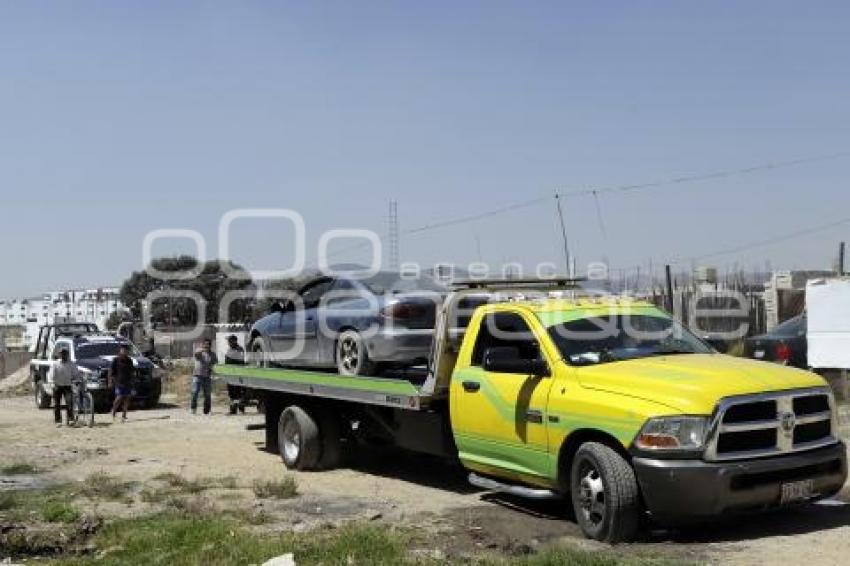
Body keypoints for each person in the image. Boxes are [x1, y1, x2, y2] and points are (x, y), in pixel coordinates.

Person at [50, 348, 80, 427]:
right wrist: (53, 384)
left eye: (65, 353)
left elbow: (76, 374)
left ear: (67, 354)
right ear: (60, 355)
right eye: (62, 353)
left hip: (67, 386)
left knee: (69, 402)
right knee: (57, 404)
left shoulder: (71, 364)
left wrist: (77, 380)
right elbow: (51, 375)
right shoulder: (55, 364)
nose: (63, 355)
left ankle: (70, 420)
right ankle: (58, 421)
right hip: (57, 386)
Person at [191, 338, 218, 415]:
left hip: (207, 377)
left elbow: (215, 364)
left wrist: (213, 370)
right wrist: (203, 349)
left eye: (208, 344)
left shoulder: (213, 354)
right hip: (197, 375)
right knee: (195, 392)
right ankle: (193, 408)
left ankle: (207, 410)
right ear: (202, 344)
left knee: (207, 394)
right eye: (205, 344)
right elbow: (196, 354)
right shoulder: (199, 352)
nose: (207, 346)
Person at [109, 344, 134, 422]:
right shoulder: (115, 360)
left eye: (126, 350)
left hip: (128, 381)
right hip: (119, 381)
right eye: (123, 350)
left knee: (127, 398)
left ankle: (124, 415)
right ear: (120, 351)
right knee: (119, 397)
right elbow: (111, 371)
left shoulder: (129, 360)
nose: (125, 351)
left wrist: (133, 380)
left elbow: (131, 371)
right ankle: (113, 410)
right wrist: (110, 381)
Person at [224, 335, 247, 414]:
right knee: (231, 393)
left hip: (237, 374)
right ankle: (233, 409)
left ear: (234, 341)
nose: (228, 342)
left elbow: (240, 362)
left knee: (238, 392)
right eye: (228, 341)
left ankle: (240, 408)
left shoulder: (239, 350)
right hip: (230, 375)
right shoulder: (229, 349)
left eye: (229, 341)